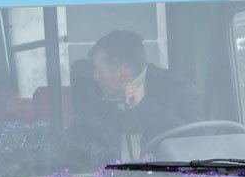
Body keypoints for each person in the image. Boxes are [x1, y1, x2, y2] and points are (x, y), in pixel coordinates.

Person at [67, 30, 203, 164]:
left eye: (98, 70)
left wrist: (146, 106)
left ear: (121, 74)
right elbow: (76, 145)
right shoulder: (91, 92)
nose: (95, 77)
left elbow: (199, 140)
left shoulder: (177, 88)